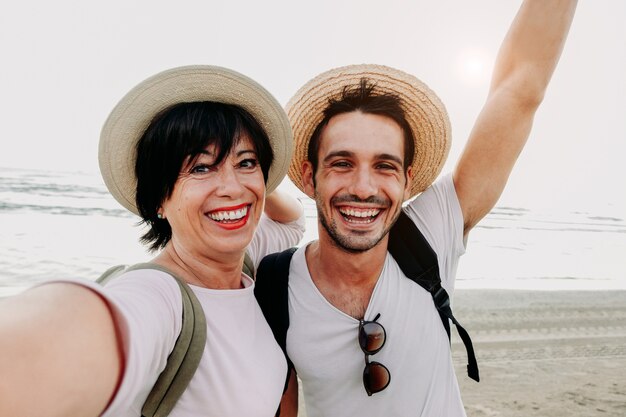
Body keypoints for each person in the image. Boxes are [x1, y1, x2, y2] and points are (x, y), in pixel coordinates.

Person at [272, 1, 578, 416]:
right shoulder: (274, 285)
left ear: (407, 181)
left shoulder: (432, 231)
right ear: (309, 176)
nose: (363, 188)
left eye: (385, 166)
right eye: (342, 163)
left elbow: (521, 88)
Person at [0, 65, 305, 416]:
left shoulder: (243, 259)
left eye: (246, 162)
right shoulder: (158, 295)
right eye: (201, 168)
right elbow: (82, 338)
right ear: (159, 199)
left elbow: (293, 221)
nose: (231, 187)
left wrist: (258, 183)